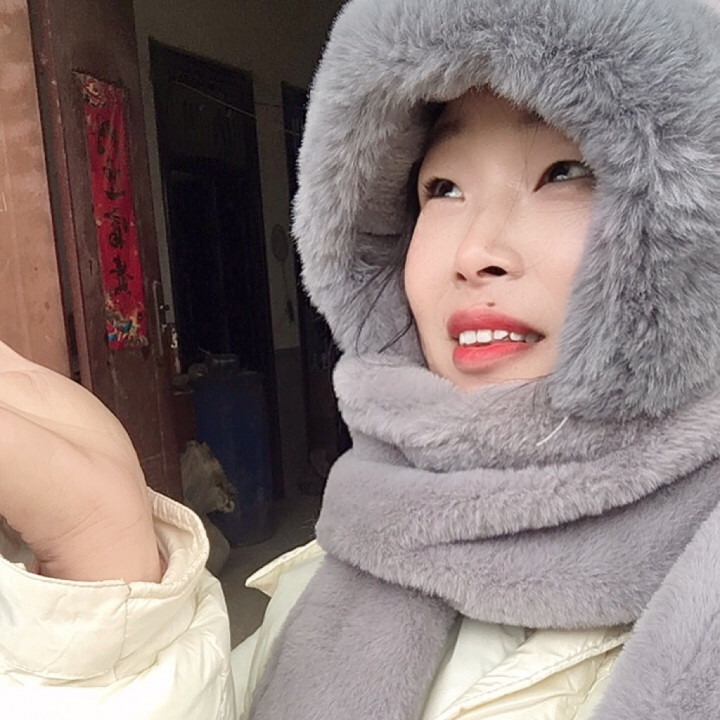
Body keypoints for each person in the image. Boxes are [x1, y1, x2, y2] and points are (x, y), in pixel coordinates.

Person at [2, 0, 720, 718]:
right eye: (443, 188)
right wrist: (106, 566)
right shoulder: (348, 555)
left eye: (565, 172)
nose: (475, 251)